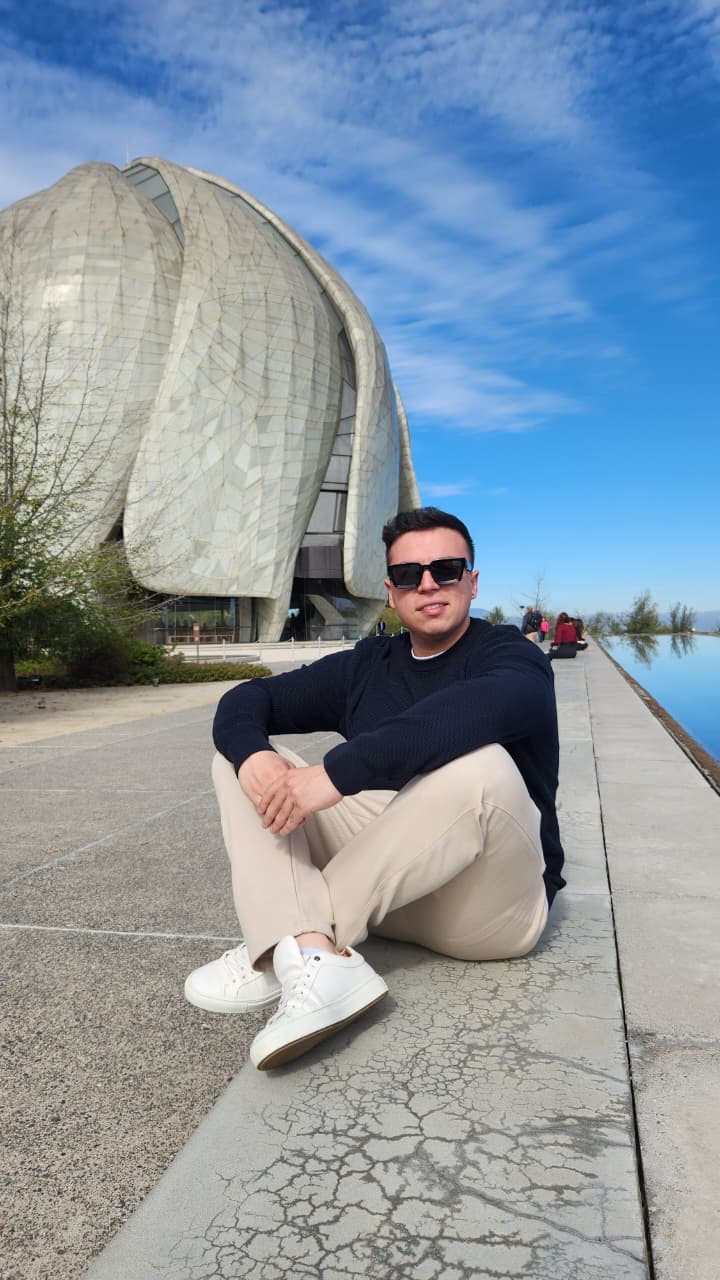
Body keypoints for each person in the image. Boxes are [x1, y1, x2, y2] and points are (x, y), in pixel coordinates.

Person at [185, 507, 566, 1071]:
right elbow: (247, 699)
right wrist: (255, 756)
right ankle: (308, 949)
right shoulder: (369, 665)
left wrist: (335, 774)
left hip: (485, 910)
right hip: (389, 897)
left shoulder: (512, 657)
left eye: (446, 569)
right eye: (409, 575)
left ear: (472, 581)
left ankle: (281, 938)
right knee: (242, 762)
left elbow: (470, 713)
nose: (428, 585)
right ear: (391, 591)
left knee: (483, 766)